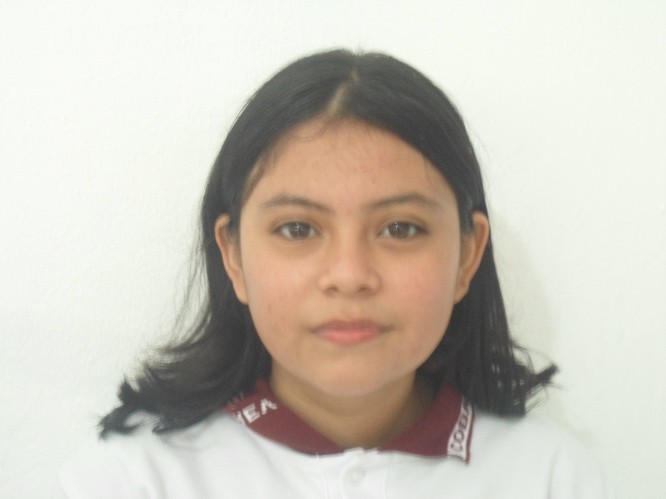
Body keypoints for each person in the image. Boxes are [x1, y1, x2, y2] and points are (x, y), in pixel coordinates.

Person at [57, 49, 614, 498]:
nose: (349, 276)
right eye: (298, 229)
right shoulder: (129, 480)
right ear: (234, 257)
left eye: (400, 228)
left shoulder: (553, 478)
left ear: (467, 256)